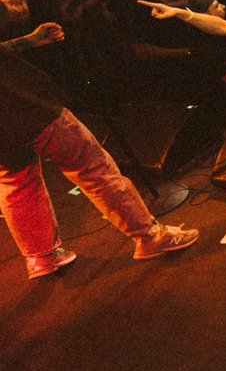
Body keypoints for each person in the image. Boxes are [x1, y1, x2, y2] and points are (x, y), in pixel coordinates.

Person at [1, 21, 199, 280]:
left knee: (17, 182)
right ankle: (151, 237)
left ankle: (42, 257)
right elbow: (16, 9)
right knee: (91, 166)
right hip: (22, 104)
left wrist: (31, 40)